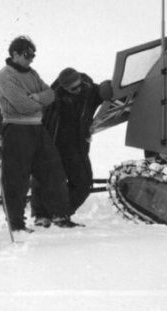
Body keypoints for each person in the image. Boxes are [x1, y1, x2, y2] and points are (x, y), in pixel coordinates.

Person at [0, 35, 77, 231]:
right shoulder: (5, 76)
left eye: (33, 54)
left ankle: (60, 215)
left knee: (53, 170)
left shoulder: (32, 73)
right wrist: (36, 101)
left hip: (37, 128)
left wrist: (36, 97)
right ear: (14, 54)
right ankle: (16, 223)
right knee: (16, 178)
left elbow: (51, 94)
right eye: (27, 54)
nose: (31, 58)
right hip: (16, 129)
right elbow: (22, 105)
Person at [33, 67, 112, 222]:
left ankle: (60, 213)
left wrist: (108, 87)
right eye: (73, 88)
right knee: (47, 180)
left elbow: (104, 92)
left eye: (79, 85)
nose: (78, 89)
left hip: (77, 147)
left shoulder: (88, 90)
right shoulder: (53, 100)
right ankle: (42, 215)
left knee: (84, 183)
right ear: (64, 88)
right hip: (54, 147)